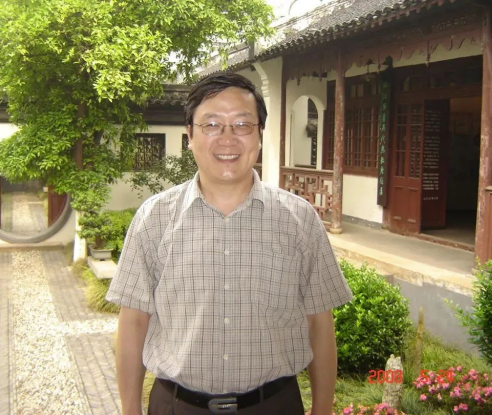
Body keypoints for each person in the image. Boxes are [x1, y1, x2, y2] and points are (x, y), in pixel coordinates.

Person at [106, 72, 353, 415]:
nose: (227, 138)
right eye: (211, 124)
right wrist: (130, 410)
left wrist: (323, 409)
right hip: (177, 407)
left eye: (241, 124)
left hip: (275, 406)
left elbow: (319, 323)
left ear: (260, 134)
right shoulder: (153, 219)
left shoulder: (299, 219)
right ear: (190, 135)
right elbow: (133, 322)